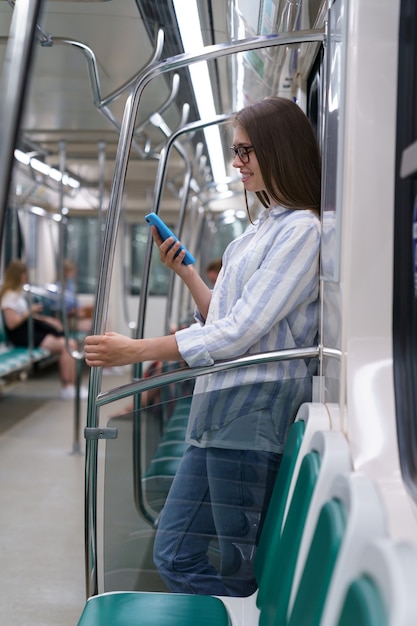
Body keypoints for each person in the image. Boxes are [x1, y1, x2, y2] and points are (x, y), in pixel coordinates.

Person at [84, 96, 321, 596]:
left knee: (239, 568)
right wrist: (188, 274)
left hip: (252, 416)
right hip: (215, 413)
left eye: (245, 151)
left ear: (278, 150)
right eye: (235, 152)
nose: (237, 163)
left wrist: (137, 351)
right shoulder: (257, 232)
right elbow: (225, 318)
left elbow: (240, 332)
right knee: (174, 552)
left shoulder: (302, 230)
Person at [1, 259, 88, 400]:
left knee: (70, 343)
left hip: (28, 330)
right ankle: (67, 387)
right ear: (18, 275)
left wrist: (47, 319)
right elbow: (12, 323)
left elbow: (26, 315)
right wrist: (30, 311)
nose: (27, 277)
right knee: (67, 345)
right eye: (25, 274)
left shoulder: (18, 294)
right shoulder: (9, 297)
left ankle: (72, 386)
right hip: (20, 334)